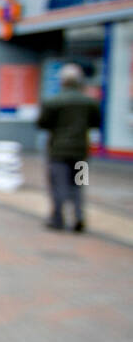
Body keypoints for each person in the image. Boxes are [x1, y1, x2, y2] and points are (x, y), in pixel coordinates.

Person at [37, 63, 101, 232]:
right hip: (81, 151)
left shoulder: (54, 102)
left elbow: (42, 123)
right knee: (79, 184)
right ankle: (79, 217)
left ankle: (58, 218)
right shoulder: (89, 102)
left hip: (58, 151)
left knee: (59, 184)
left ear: (63, 82)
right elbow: (96, 122)